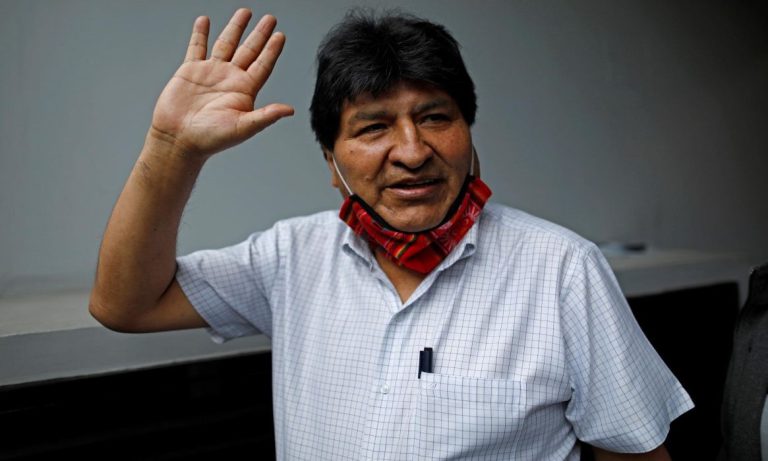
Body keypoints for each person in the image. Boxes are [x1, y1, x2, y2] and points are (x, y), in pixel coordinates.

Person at [89, 8, 693, 460]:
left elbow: (634, 454)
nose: (412, 151)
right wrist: (171, 148)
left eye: (435, 117)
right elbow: (125, 305)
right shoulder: (291, 258)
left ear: (469, 134)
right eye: (373, 127)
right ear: (332, 164)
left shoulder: (562, 268)